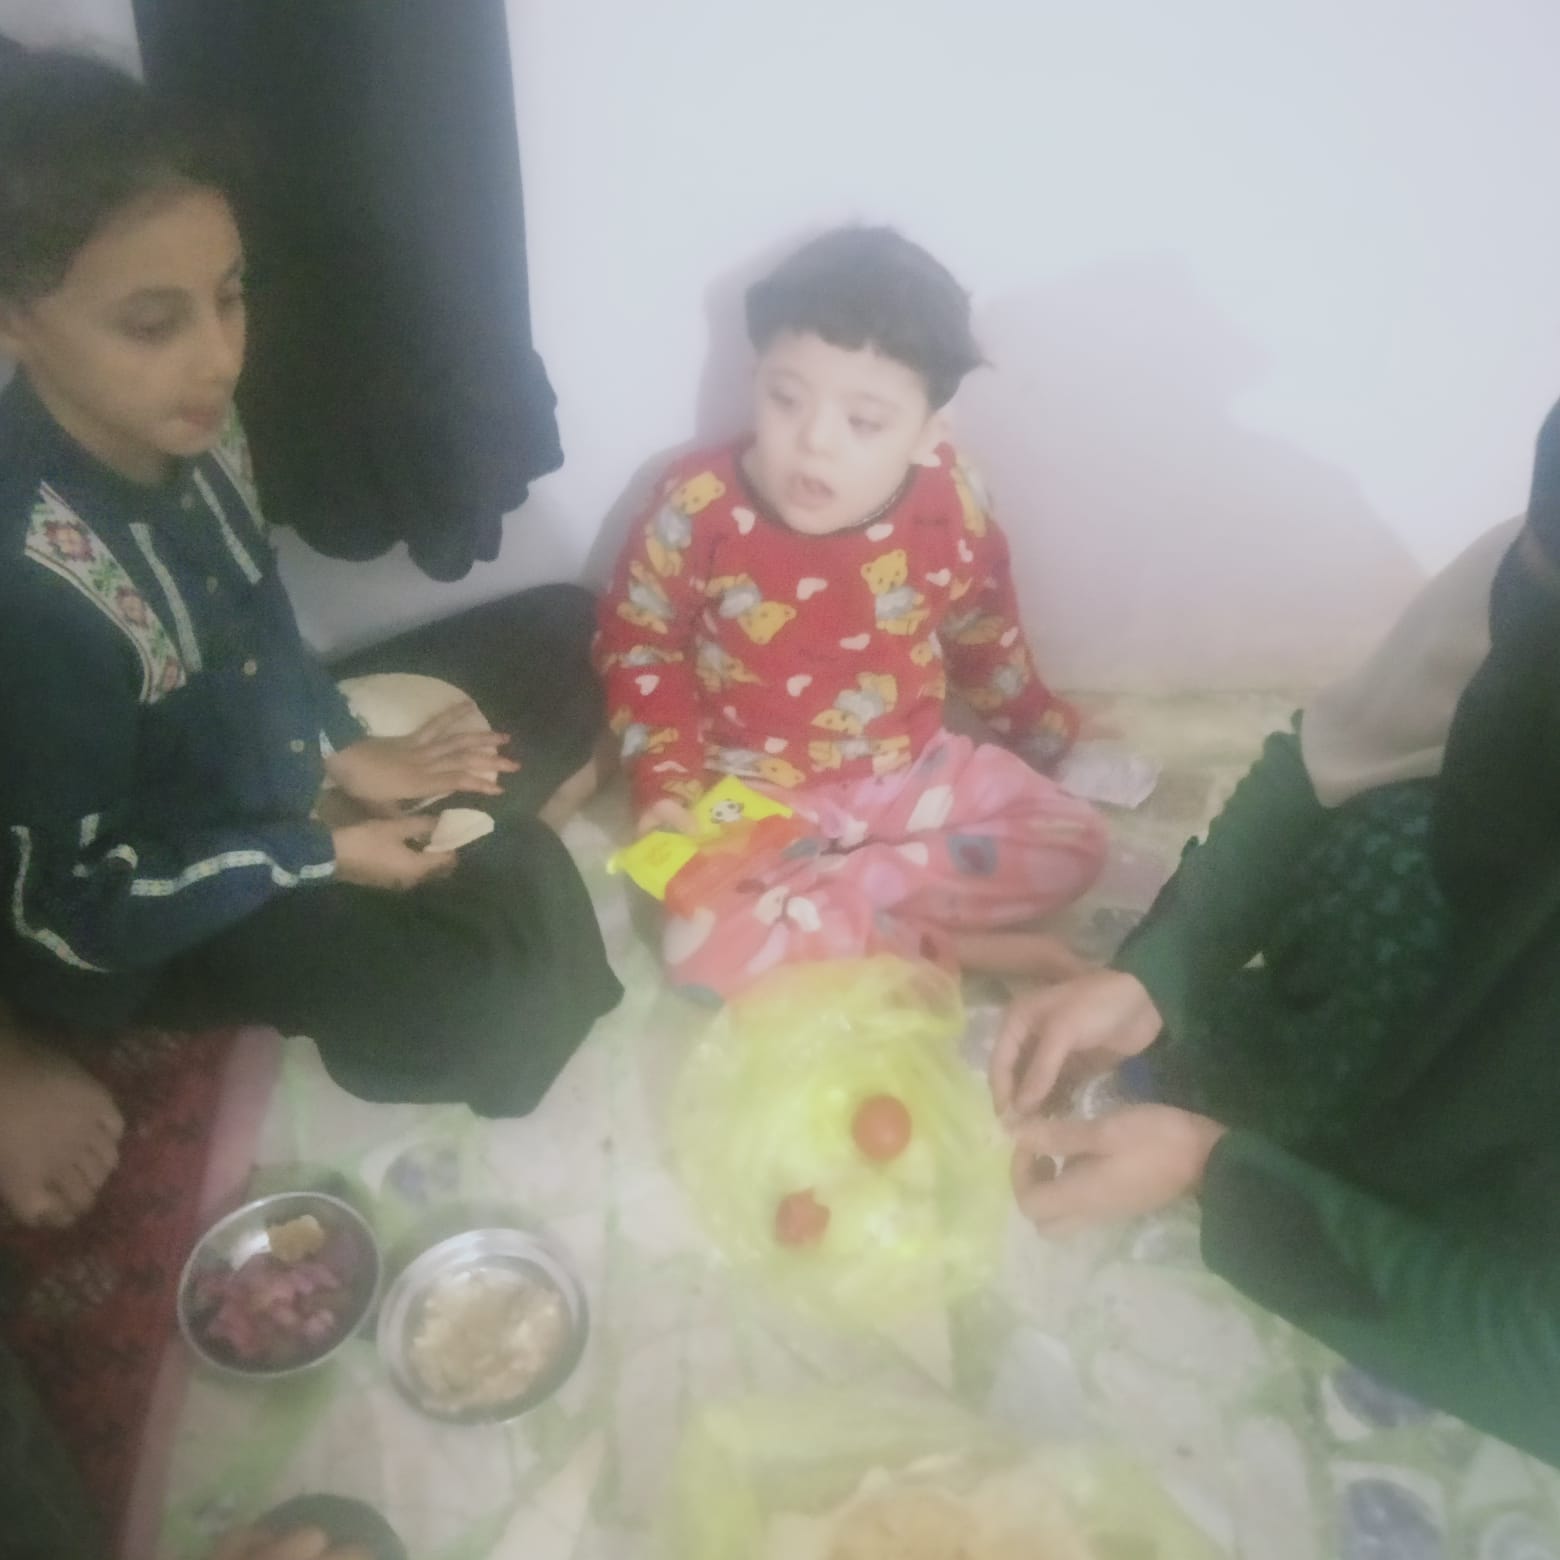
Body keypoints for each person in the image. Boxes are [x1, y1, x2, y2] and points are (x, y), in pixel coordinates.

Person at [0, 47, 624, 1232]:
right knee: (493, 1000)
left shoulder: (198, 419)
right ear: (17, 317)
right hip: (160, 904)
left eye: (230, 296)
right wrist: (313, 852)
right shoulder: (31, 591)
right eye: (152, 323)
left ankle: (465, 844)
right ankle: (468, 860)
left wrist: (337, 742)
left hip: (257, 752)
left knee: (570, 634)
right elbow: (70, 909)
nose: (217, 356)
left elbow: (252, 609)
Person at [989, 412, 1560, 1467]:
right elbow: (1328, 756)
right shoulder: (1529, 569)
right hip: (1450, 977)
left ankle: (1383, 1191)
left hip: (1517, 1228)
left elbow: (1541, 1364)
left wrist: (1217, 1177)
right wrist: (1156, 974)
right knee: (1379, 855)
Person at [594, 227, 1106, 999]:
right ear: (754, 379)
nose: (813, 443)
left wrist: (1046, 730)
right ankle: (953, 945)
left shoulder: (952, 498)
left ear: (929, 435)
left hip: (910, 770)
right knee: (699, 953)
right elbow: (641, 642)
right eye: (785, 399)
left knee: (1076, 843)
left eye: (863, 422)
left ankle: (827, 905)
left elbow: (982, 628)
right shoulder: (697, 504)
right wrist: (666, 784)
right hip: (753, 790)